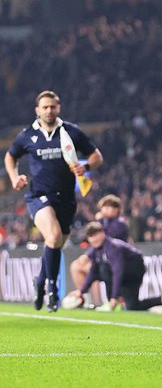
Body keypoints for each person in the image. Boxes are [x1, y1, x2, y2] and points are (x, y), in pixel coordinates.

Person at [4, 90, 104, 312]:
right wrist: (14, 177)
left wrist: (85, 166)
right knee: (54, 236)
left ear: (59, 108)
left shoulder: (71, 132)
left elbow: (97, 156)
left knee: (55, 244)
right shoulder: (27, 135)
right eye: (45, 107)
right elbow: (11, 156)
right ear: (37, 110)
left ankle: (40, 281)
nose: (49, 111)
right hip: (38, 196)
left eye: (53, 107)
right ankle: (52, 288)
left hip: (66, 198)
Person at [67, 222, 162, 313]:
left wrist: (114, 297)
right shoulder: (97, 250)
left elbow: (117, 271)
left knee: (104, 269)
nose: (93, 239)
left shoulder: (112, 247)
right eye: (90, 237)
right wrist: (81, 291)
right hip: (129, 272)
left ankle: (111, 302)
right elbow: (92, 272)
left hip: (133, 270)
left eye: (95, 235)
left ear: (102, 233)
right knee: (133, 306)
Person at [70, 194, 130, 307]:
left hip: (116, 262)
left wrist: (101, 220)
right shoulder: (105, 222)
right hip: (104, 259)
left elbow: (107, 240)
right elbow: (97, 243)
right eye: (104, 207)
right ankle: (84, 299)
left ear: (116, 209)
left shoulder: (120, 223)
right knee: (76, 266)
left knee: (94, 269)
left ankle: (97, 303)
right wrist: (87, 255)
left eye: (108, 207)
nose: (105, 210)